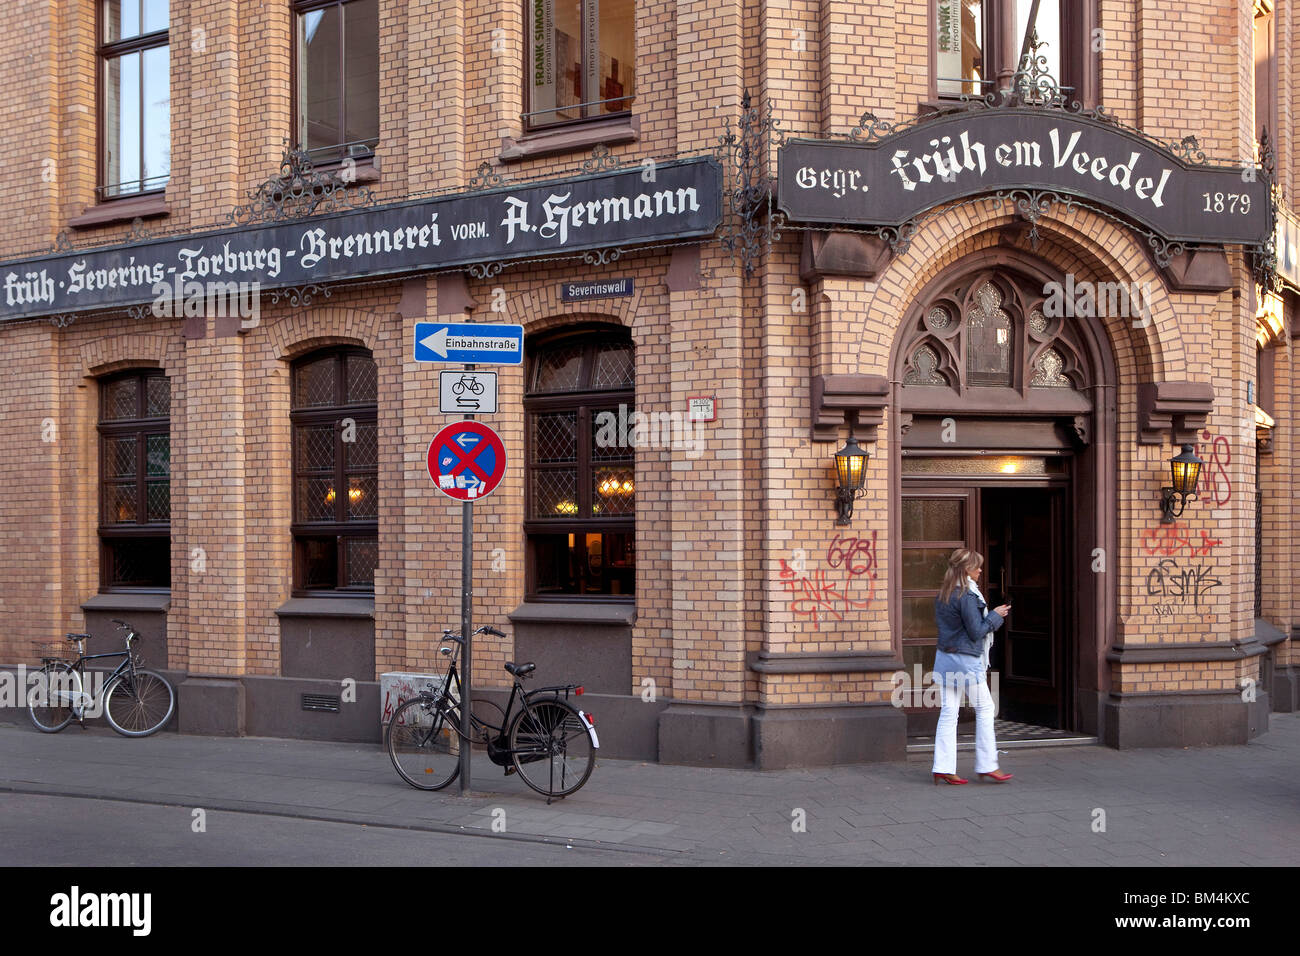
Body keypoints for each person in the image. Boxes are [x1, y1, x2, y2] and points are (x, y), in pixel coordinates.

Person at [930, 548, 1014, 785]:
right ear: (966, 569)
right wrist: (996, 616)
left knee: (948, 712)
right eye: (977, 567)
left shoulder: (944, 593)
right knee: (986, 708)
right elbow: (976, 632)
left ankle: (943, 767)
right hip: (965, 661)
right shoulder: (967, 595)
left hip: (945, 658)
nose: (980, 571)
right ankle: (988, 765)